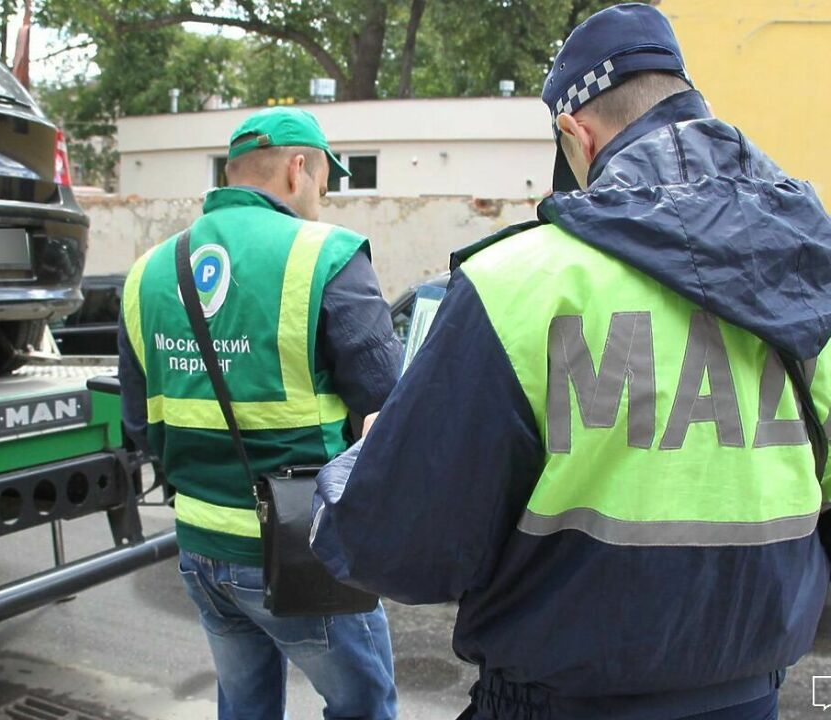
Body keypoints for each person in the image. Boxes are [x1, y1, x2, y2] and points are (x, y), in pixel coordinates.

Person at [310, 4, 831, 720]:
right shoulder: (807, 272)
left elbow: (395, 544)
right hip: (749, 698)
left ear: (575, 133)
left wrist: (359, 466)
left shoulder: (520, 281)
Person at [118, 106, 401, 720]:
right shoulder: (327, 255)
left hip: (198, 547)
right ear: (298, 169)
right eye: (326, 177)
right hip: (304, 545)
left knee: (245, 707)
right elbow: (391, 404)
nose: (325, 193)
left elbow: (139, 426)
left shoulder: (146, 273)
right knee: (365, 706)